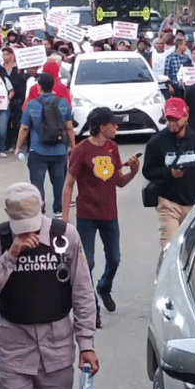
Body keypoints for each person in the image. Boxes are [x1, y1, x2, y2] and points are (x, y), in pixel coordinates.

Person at [0, 183, 98, 389]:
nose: (28, 231)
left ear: (43, 207)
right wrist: (9, 257)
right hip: (14, 352)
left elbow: (83, 292)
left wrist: (86, 345)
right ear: (7, 214)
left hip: (57, 351)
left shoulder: (66, 236)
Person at [61, 108, 139, 328]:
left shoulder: (112, 148)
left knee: (114, 259)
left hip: (109, 215)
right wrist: (65, 218)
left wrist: (133, 172)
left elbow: (118, 182)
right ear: (102, 126)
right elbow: (68, 184)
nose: (116, 127)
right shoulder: (80, 150)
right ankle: (92, 308)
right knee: (88, 263)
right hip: (87, 215)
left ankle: (104, 287)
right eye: (113, 124)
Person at [142, 98, 195, 248]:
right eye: (169, 119)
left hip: (192, 204)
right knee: (171, 249)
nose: (173, 123)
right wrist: (169, 173)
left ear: (186, 117)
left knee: (193, 251)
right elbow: (148, 170)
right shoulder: (156, 142)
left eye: (176, 119)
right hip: (168, 203)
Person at [15, 73, 76, 217]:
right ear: (53, 86)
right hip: (59, 150)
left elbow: (24, 128)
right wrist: (73, 146)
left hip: (38, 150)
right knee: (59, 182)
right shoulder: (63, 103)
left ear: (39, 86)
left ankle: (39, 210)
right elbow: (69, 127)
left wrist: (18, 147)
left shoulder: (32, 104)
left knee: (37, 183)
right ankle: (59, 210)